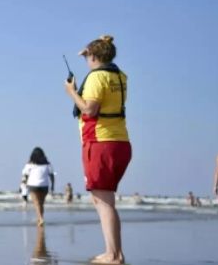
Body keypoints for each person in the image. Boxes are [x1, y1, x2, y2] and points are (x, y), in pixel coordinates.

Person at [64, 35, 131, 264]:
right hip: (120, 142)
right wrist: (94, 48)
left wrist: (71, 92)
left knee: (103, 202)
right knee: (105, 201)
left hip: (100, 143)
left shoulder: (95, 78)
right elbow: (104, 57)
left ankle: (113, 255)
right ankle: (114, 251)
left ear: (93, 56)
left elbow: (89, 110)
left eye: (88, 57)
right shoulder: (120, 76)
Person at [22, 147, 56, 226]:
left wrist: (24, 185)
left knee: (36, 203)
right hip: (44, 185)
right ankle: (40, 219)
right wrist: (53, 186)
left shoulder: (29, 164)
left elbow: (25, 175)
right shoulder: (47, 164)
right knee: (41, 203)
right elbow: (52, 175)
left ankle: (40, 218)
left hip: (33, 185)